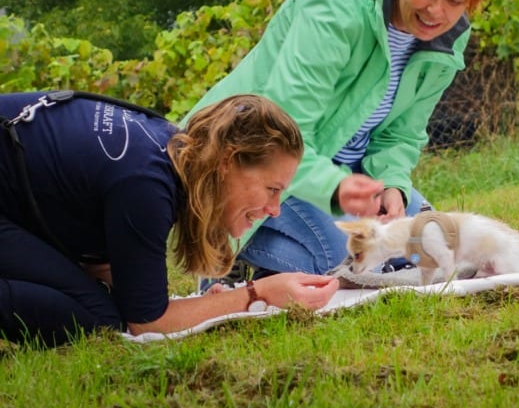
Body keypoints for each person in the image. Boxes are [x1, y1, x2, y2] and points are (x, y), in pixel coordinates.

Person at [188, 0, 502, 278]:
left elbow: (402, 133)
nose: (436, 11)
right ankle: (234, 255)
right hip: (258, 162)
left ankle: (279, 250)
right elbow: (279, 134)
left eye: (454, 0)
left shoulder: (451, 35)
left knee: (433, 245)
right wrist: (336, 190)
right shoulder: (335, 7)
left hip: (345, 170)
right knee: (351, 255)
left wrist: (393, 187)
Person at [0, 91, 338, 346]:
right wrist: (257, 293)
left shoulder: (167, 150)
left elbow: (112, 275)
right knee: (98, 321)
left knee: (101, 304)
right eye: (271, 188)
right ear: (228, 162)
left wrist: (212, 306)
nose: (276, 208)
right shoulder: (146, 184)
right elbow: (148, 323)